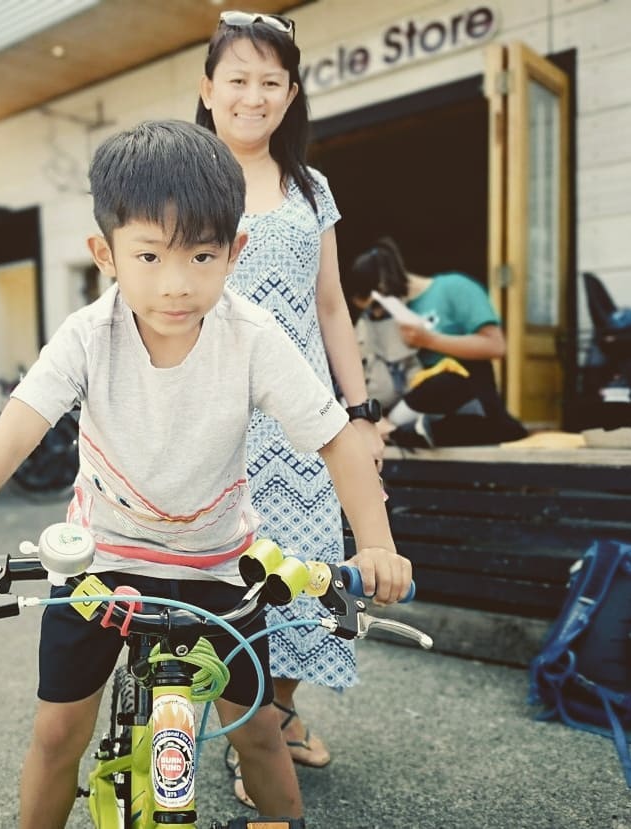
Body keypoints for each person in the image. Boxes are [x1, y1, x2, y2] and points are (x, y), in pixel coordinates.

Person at [0, 120, 411, 829]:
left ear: (236, 250)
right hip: (101, 561)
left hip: (219, 566)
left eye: (202, 256)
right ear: (105, 254)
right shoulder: (85, 335)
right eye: (149, 255)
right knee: (55, 733)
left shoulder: (252, 336)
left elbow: (338, 442)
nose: (177, 284)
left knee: (258, 730)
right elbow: (9, 437)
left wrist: (374, 545)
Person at [195, 11, 383, 803]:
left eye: (269, 81)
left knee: (302, 576)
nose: (252, 95)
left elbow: (332, 307)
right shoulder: (188, 180)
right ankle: (252, 734)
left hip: (303, 426)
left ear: (291, 92)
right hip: (216, 417)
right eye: (236, 79)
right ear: (207, 91)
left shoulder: (312, 186)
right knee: (232, 579)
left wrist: (360, 410)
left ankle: (280, 711)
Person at [348, 237, 527, 447]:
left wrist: (430, 340)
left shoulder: (453, 288)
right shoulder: (381, 319)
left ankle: (398, 431)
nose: (376, 312)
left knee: (446, 383)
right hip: (412, 398)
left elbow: (495, 346)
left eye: (376, 306)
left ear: (383, 288)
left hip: (463, 387)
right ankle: (399, 431)